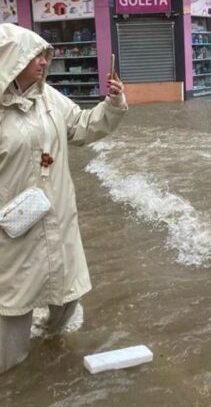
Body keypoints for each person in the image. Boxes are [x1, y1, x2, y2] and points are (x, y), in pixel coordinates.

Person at [0, 23, 128, 374]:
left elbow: (83, 125)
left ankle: (51, 347)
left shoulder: (49, 99)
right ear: (11, 59)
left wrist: (113, 104)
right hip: (12, 226)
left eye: (45, 55)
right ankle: (14, 377)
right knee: (12, 303)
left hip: (57, 213)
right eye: (34, 56)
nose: (44, 62)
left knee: (66, 288)